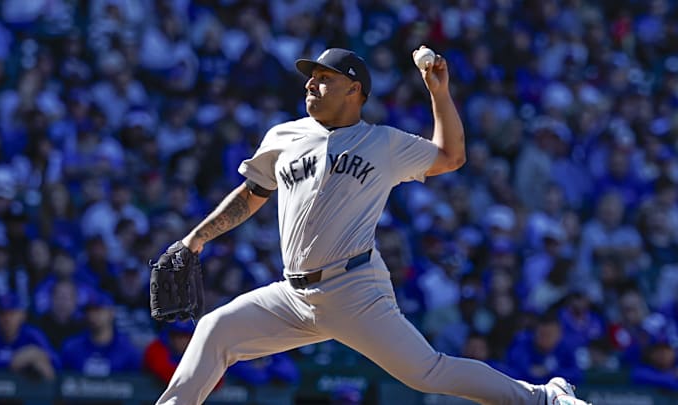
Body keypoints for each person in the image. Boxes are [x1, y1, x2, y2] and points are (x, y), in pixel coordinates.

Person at [154, 47, 589, 405]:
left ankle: (543, 398)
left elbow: (451, 157)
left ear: (353, 89)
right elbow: (252, 194)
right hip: (292, 292)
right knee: (215, 330)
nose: (310, 83)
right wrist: (196, 239)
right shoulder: (284, 136)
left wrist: (439, 93)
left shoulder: (383, 142)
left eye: (324, 77)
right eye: (311, 77)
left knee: (426, 372)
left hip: (355, 287)